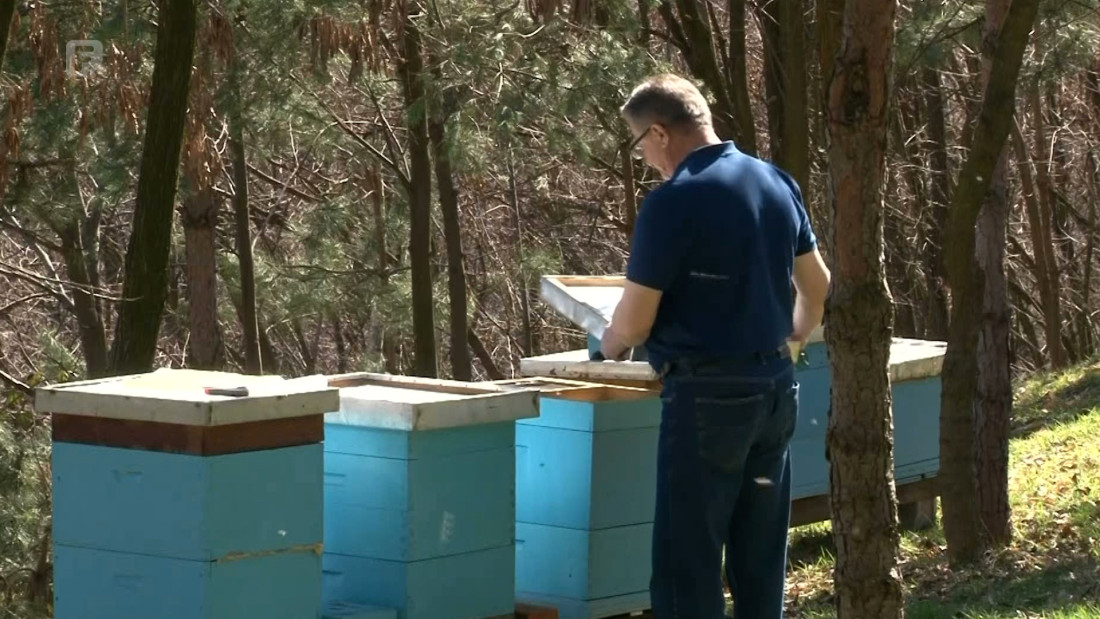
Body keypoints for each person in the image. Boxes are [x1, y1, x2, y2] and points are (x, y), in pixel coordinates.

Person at [599, 74, 831, 619]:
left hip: (707, 401)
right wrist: (794, 337)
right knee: (760, 558)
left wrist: (607, 344)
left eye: (641, 145)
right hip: (775, 392)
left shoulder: (671, 203)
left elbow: (632, 325)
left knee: (688, 564)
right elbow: (818, 288)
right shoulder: (776, 182)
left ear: (658, 133)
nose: (647, 159)